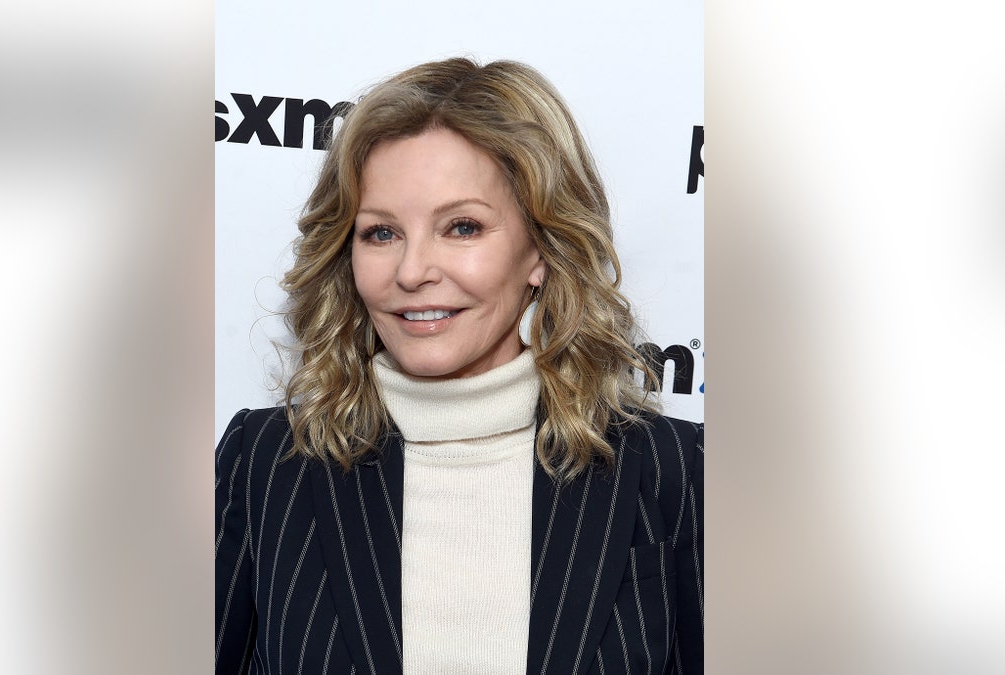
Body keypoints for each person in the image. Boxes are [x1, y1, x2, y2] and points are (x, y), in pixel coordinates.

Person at [215, 57, 703, 675]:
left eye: (462, 227)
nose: (413, 270)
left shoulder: (677, 473)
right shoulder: (263, 464)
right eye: (381, 233)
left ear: (542, 251)